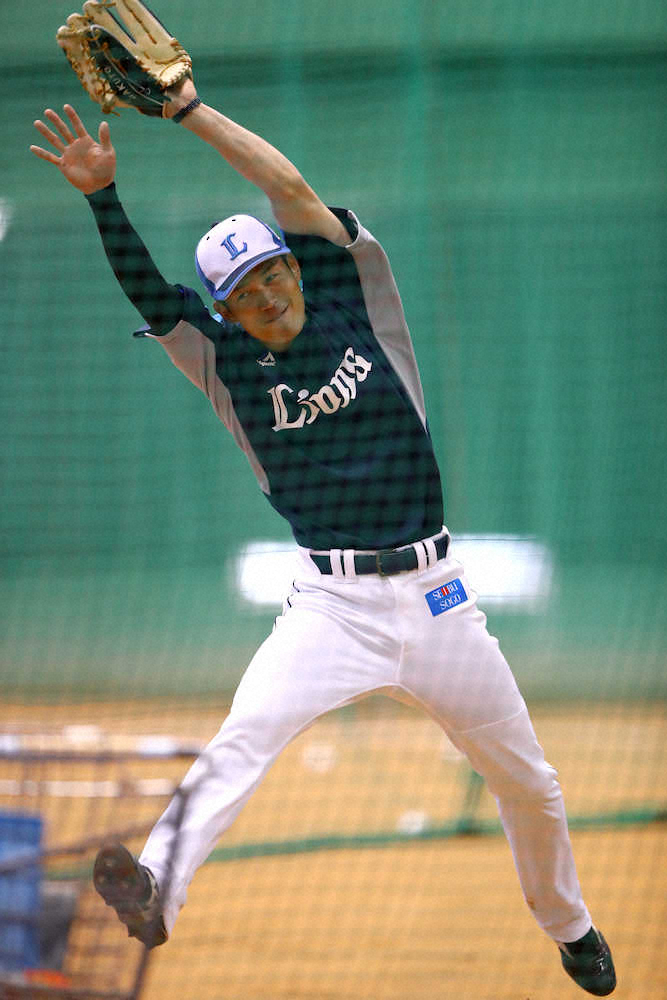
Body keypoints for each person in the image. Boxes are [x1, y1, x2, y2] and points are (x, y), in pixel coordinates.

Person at [30, 77, 616, 995]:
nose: (265, 292)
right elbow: (149, 290)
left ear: (295, 268)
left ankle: (569, 925)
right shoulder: (222, 359)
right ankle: (155, 892)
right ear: (224, 309)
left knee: (528, 781)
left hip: (436, 598)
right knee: (243, 738)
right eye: (242, 289)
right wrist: (103, 196)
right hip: (330, 607)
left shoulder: (354, 295)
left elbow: (290, 190)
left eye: (272, 271)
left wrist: (187, 113)